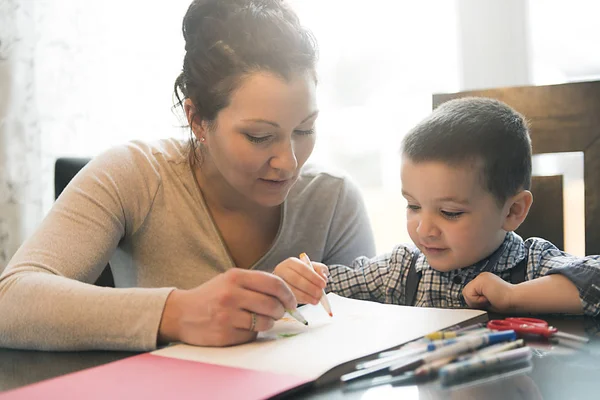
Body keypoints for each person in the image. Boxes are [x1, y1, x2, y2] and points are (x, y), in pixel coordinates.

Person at [0, 0, 376, 351]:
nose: (289, 162)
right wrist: (177, 312)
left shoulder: (334, 200)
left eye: (304, 130)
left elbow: (370, 336)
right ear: (197, 119)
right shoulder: (135, 175)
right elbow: (10, 300)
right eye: (259, 136)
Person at [275, 97, 600, 317]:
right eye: (413, 206)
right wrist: (298, 282)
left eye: (450, 213)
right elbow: (327, 288)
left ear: (513, 211)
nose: (423, 229)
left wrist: (514, 297)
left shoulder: (532, 266)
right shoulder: (400, 271)